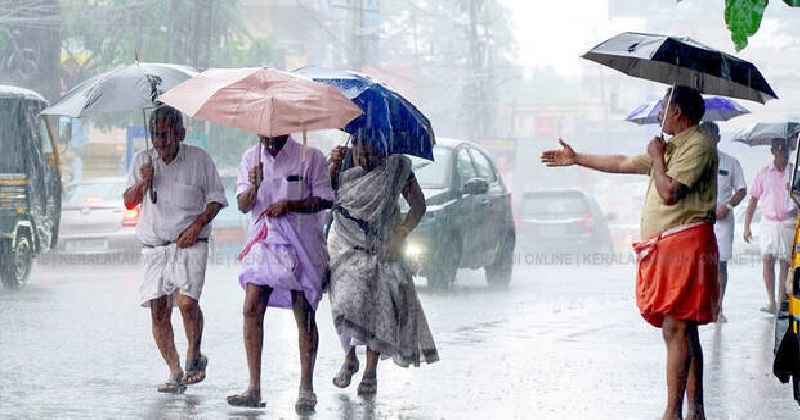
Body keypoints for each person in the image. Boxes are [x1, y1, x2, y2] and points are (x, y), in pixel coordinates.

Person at [540, 85, 718, 420]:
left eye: (663, 107)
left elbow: (670, 193)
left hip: (685, 245)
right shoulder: (671, 146)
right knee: (684, 329)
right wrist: (578, 158)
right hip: (668, 246)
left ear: (678, 112)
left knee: (676, 329)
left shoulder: (698, 145)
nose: (658, 114)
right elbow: (622, 162)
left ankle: (673, 413)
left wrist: (657, 159)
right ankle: (695, 412)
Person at [123, 104, 227, 394]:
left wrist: (197, 226)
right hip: (155, 247)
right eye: (156, 135)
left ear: (180, 133)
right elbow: (129, 201)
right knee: (159, 312)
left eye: (167, 135)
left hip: (191, 244)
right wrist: (145, 181)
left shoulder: (199, 159)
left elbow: (217, 199)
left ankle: (195, 354)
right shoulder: (142, 160)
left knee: (187, 303)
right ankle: (175, 370)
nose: (161, 142)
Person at [226, 133, 333, 413]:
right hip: (264, 237)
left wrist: (291, 204)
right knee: (252, 305)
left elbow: (324, 199)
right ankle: (253, 387)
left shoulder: (310, 157)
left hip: (302, 241)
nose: (268, 136)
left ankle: (306, 387)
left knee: (303, 311)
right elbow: (243, 205)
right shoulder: (251, 157)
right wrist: (253, 186)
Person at [327, 134, 439, 397]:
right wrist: (332, 166)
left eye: (373, 154)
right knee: (344, 303)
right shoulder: (341, 161)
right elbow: (324, 196)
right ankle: (349, 357)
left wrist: (398, 238)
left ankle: (370, 370)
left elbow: (418, 206)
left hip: (382, 245)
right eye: (361, 154)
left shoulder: (397, 167)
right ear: (353, 146)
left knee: (377, 302)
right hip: (344, 243)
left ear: (385, 149)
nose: (366, 160)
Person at [699, 121, 747, 323]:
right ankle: (701, 306)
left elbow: (741, 190)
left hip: (722, 219)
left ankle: (718, 308)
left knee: (720, 264)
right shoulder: (693, 162)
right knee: (700, 264)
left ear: (718, 138)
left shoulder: (730, 162)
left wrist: (727, 207)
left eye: (712, 135)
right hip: (699, 219)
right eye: (704, 135)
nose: (708, 139)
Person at [743, 138, 797, 315]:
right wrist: (747, 226)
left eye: (785, 149)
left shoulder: (794, 173)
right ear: (773, 151)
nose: (783, 153)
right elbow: (753, 200)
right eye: (779, 149)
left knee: (785, 262)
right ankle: (771, 300)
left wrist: (792, 190)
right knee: (767, 260)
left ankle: (781, 301)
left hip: (788, 221)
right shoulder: (764, 173)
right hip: (768, 222)